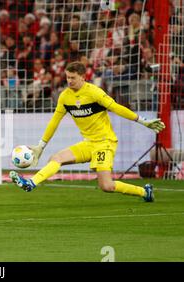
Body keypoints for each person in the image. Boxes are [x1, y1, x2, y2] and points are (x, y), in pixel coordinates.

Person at [9, 61, 165, 202]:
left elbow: (116, 107)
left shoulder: (94, 93)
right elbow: (54, 122)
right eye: (67, 77)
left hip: (104, 143)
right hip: (88, 143)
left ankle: (145, 192)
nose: (69, 81)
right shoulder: (65, 97)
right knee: (55, 158)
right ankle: (31, 183)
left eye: (73, 78)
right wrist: (40, 146)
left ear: (83, 77)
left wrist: (142, 120)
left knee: (106, 185)